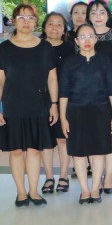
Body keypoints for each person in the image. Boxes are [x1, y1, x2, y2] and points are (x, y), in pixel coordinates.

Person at [0, 4, 58, 207]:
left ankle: (33, 191)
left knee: (35, 150)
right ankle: (21, 192)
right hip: (13, 106)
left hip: (39, 105)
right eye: (21, 17)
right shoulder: (3, 49)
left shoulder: (45, 47)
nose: (26, 21)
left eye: (30, 18)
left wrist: (54, 104)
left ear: (36, 21)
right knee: (16, 151)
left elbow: (52, 78)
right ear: (14, 21)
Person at [59, 24, 112, 204]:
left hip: (101, 110)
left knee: (98, 152)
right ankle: (84, 190)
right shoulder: (69, 62)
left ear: (96, 39)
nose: (86, 40)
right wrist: (63, 117)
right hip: (75, 111)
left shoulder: (104, 61)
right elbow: (63, 92)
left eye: (90, 36)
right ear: (76, 41)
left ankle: (95, 189)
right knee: (78, 153)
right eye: (82, 37)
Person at [39, 12, 75, 195]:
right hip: (40, 99)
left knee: (62, 138)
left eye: (59, 24)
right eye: (51, 24)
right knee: (45, 141)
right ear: (44, 27)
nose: (55, 28)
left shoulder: (70, 48)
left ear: (64, 29)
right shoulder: (37, 46)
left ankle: (63, 175)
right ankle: (48, 177)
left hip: (65, 99)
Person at [87, 0, 112, 194]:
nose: (97, 16)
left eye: (101, 12)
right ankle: (96, 177)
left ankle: (108, 176)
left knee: (111, 133)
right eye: (93, 12)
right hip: (86, 94)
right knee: (92, 134)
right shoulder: (82, 35)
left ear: (108, 15)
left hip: (111, 94)